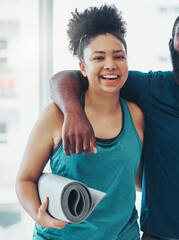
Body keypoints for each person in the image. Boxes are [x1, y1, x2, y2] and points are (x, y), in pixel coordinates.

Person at [50, 7, 179, 240]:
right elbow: (66, 78)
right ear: (172, 44)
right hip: (158, 235)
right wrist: (73, 112)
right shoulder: (148, 88)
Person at [15, 4, 144, 240]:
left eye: (119, 56)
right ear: (83, 67)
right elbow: (25, 180)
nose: (111, 64)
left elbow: (137, 181)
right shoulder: (55, 116)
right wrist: (37, 214)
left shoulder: (136, 116)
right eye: (98, 57)